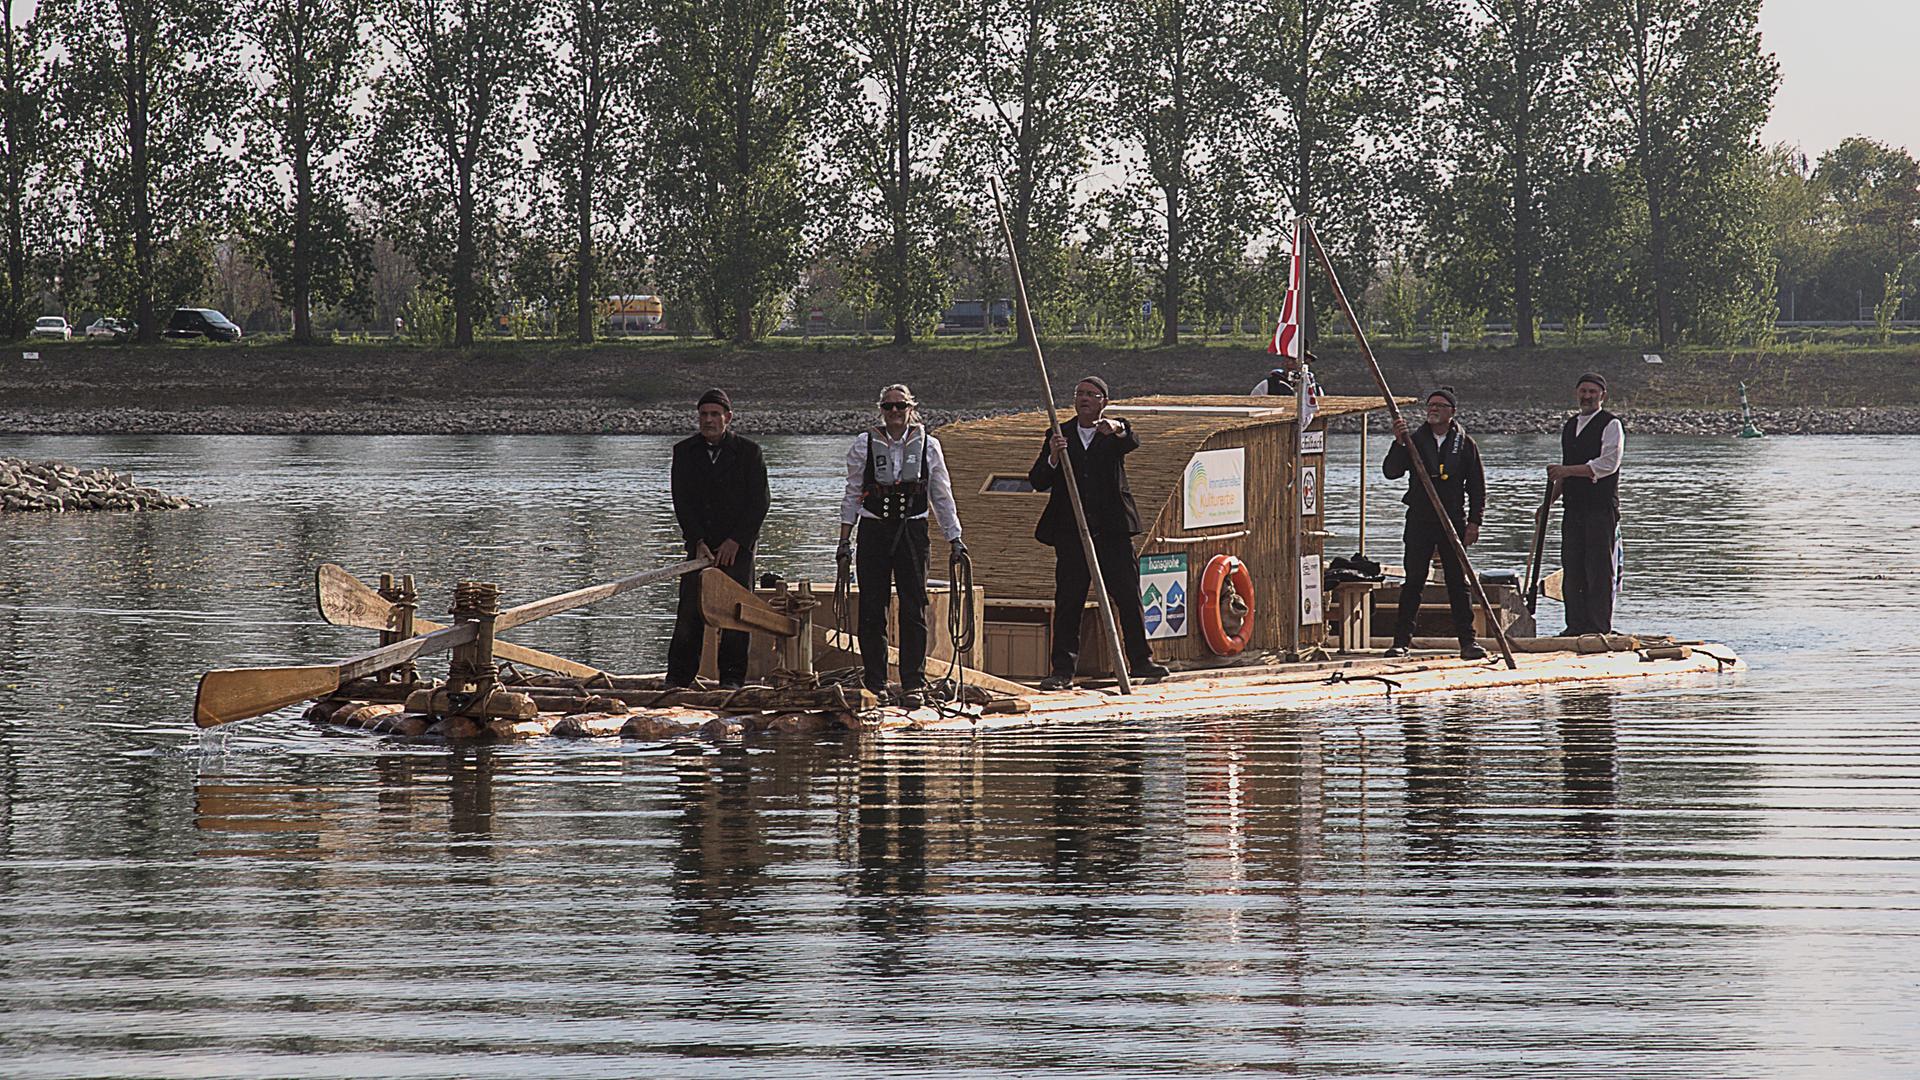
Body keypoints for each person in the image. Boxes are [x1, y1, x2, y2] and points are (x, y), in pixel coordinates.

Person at [1029, 376, 1171, 689]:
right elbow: (1038, 479)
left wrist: (1118, 426)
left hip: (1112, 531)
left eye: (1091, 395)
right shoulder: (1058, 433)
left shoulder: (1112, 432)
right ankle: (1062, 671)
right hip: (1072, 532)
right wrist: (1053, 456)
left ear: (1103, 401)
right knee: (1069, 600)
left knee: (1127, 595)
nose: (1084, 399)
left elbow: (1131, 438)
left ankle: (1141, 661)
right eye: (1079, 393)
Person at [836, 384, 966, 709]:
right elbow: (852, 493)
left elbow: (941, 495)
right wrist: (843, 540)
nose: (894, 412)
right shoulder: (864, 445)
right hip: (874, 530)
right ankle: (875, 681)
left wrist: (955, 538)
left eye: (900, 406)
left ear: (911, 408)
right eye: (888, 406)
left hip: (913, 531)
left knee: (913, 607)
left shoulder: (929, 447)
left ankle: (913, 683)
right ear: (881, 409)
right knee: (871, 608)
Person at [666, 388, 770, 689]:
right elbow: (681, 501)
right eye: (703, 415)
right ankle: (677, 680)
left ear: (728, 417)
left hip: (736, 548)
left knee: (736, 615)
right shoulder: (684, 452)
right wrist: (696, 540)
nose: (708, 420)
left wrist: (736, 541)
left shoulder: (750, 452)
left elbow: (760, 502)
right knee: (689, 611)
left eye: (714, 415)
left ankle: (732, 680)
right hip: (700, 547)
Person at [1382, 386, 1488, 660]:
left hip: (1452, 519)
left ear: (1451, 412)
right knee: (1414, 579)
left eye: (1439, 406)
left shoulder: (1465, 443)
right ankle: (1401, 642)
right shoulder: (1414, 439)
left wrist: (1475, 522)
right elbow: (1391, 472)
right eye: (1430, 405)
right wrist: (1398, 442)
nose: (1433, 409)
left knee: (1456, 580)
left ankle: (1468, 642)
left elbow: (1477, 486)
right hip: (1420, 518)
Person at [1547, 372, 1624, 636]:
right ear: (1577, 393)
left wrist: (1567, 471)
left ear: (1603, 395)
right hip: (1574, 508)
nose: (1587, 396)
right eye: (1583, 391)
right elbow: (1563, 470)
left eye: (1592, 392)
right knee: (1573, 567)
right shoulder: (1570, 426)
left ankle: (1599, 627)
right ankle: (1575, 626)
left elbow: (1606, 465)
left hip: (1600, 508)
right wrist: (1547, 504)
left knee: (1599, 569)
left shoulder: (1611, 424)